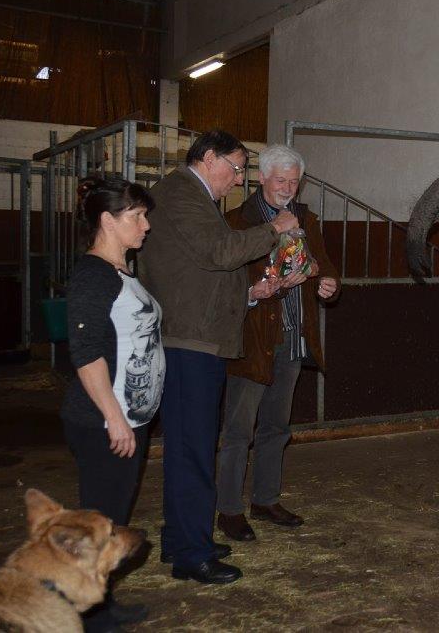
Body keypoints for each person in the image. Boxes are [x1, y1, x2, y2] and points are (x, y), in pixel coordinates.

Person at [139, 130, 299, 585]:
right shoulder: (182, 193)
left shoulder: (187, 196)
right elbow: (219, 252)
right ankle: (193, 554)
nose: (238, 178)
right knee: (193, 449)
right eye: (236, 166)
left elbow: (199, 270)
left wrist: (248, 294)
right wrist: (274, 229)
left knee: (186, 448)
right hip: (190, 342)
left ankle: (182, 538)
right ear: (208, 158)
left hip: (193, 335)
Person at [215, 144, 340, 542]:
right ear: (262, 179)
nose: (287, 188)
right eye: (280, 180)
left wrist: (324, 279)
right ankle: (229, 508)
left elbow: (323, 263)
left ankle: (265, 499)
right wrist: (253, 289)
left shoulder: (307, 219)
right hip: (253, 338)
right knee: (238, 428)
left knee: (276, 426)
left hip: (291, 336)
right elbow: (223, 279)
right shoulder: (238, 221)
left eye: (293, 181)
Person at [62, 177, 162, 631]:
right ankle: (89, 615)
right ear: (107, 220)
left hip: (127, 417)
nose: (145, 225)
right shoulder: (92, 276)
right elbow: (87, 356)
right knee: (99, 525)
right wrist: (114, 418)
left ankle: (101, 605)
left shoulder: (121, 271)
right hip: (105, 421)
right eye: (136, 216)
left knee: (113, 521)